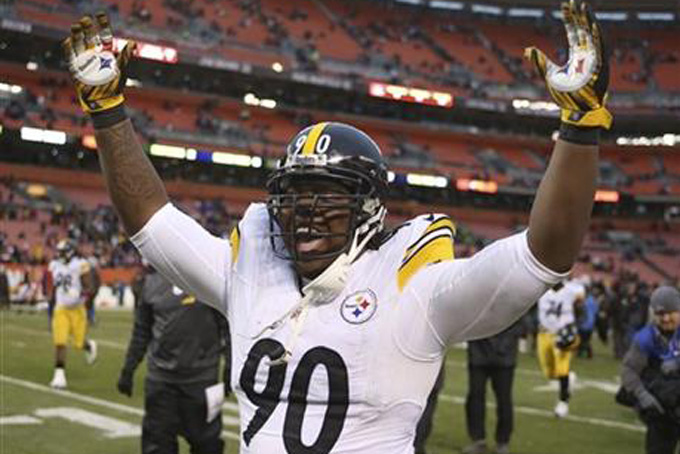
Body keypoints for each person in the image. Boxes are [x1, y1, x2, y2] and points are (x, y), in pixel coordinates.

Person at [63, 2, 611, 452]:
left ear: (368, 208)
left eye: (326, 197)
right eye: (295, 197)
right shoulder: (249, 274)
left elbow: (542, 256)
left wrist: (580, 129)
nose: (306, 212)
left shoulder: (411, 288)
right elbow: (151, 221)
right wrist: (108, 112)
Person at [117, 266, 231, 454]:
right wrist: (128, 369)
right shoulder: (150, 284)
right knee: (157, 446)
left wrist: (231, 366)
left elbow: (227, 327)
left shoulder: (208, 280)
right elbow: (141, 332)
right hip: (161, 383)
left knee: (207, 446)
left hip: (201, 382)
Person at [620, 286, 680, 454]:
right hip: (662, 410)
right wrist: (642, 395)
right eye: (660, 314)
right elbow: (629, 370)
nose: (666, 318)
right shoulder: (646, 338)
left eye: (671, 312)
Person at [462, 318, 525, 454]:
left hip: (504, 356)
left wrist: (505, 344)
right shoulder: (476, 298)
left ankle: (502, 442)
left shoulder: (512, 298)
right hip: (478, 353)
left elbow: (521, 322)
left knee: (504, 400)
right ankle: (478, 440)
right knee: (475, 397)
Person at [47, 239, 97, 389]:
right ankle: (59, 375)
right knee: (60, 341)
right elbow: (54, 287)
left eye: (62, 252)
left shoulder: (80, 265)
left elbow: (91, 288)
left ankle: (88, 346)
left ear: (70, 252)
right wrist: (50, 302)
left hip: (77, 309)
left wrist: (81, 294)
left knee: (78, 343)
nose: (60, 255)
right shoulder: (55, 265)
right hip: (61, 309)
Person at [536, 278, 585, 417]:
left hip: (562, 334)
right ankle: (569, 379)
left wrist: (573, 325)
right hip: (544, 333)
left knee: (562, 368)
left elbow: (581, 301)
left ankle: (563, 402)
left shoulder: (572, 289)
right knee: (549, 373)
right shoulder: (540, 289)